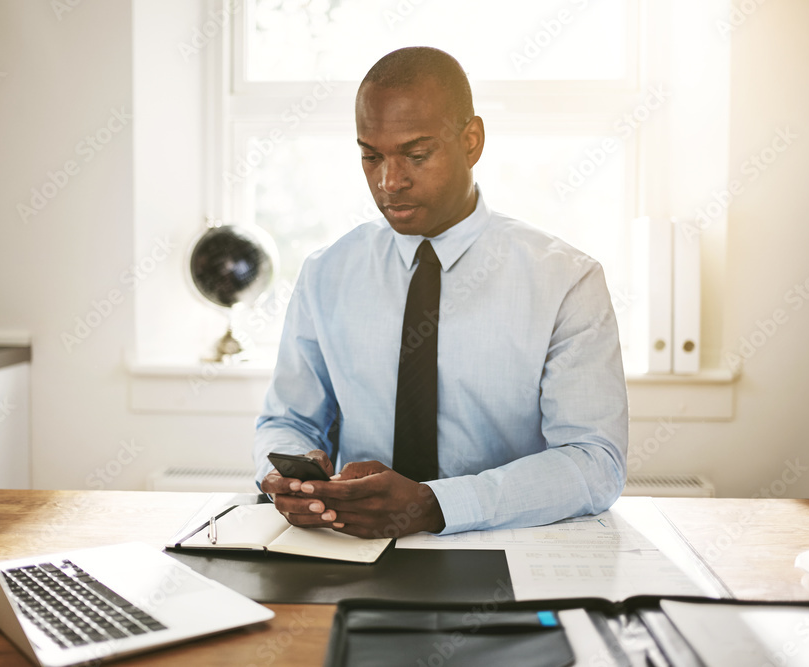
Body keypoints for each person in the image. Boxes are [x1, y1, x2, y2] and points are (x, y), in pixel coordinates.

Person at [254, 46, 628, 539]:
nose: (390, 181)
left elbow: (594, 463)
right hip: (353, 550)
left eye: (416, 154)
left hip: (506, 552)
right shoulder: (327, 274)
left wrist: (436, 505)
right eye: (371, 156)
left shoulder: (566, 280)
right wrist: (291, 476)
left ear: (471, 141)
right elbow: (288, 420)